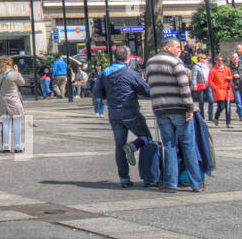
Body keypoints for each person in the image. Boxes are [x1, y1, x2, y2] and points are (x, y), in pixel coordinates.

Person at [93, 45, 156, 188]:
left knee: (119, 146)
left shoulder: (104, 73)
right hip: (131, 112)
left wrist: (110, 96)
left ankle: (124, 178)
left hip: (114, 113)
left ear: (115, 57)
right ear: (128, 58)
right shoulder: (130, 73)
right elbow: (146, 90)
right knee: (147, 139)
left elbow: (97, 92)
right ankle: (147, 173)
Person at [146, 39, 204, 193]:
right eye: (177, 47)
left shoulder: (150, 63)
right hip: (178, 109)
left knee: (169, 146)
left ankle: (170, 183)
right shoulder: (175, 63)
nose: (180, 49)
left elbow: (150, 86)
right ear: (168, 47)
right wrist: (189, 107)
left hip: (160, 109)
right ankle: (196, 182)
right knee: (187, 144)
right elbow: (184, 87)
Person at [0, 56, 26, 153]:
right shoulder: (14, 74)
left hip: (2, 100)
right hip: (14, 100)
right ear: (10, 63)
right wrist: (17, 72)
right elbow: (22, 83)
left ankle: (5, 146)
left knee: (5, 123)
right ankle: (17, 146)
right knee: (16, 123)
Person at [208, 54, 233, 127]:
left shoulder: (227, 69)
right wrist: (215, 88)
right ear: (216, 61)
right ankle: (216, 117)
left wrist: (230, 78)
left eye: (222, 60)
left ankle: (228, 123)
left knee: (228, 107)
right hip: (219, 90)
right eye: (219, 60)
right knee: (221, 106)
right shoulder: (213, 70)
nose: (221, 62)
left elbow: (231, 76)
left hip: (227, 89)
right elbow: (210, 81)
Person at [229, 52, 242, 121]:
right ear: (231, 59)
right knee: (238, 102)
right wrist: (233, 76)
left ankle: (239, 110)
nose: (235, 59)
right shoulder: (229, 68)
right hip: (235, 86)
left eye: (236, 57)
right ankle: (241, 115)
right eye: (233, 58)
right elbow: (227, 77)